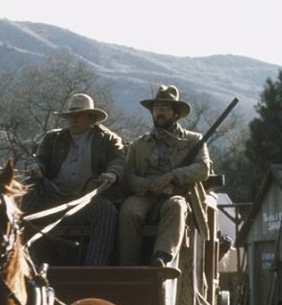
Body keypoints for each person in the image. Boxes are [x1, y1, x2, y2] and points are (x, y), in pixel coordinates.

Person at [25, 93, 125, 266]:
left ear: (91, 118)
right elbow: (39, 159)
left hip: (86, 199)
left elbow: (119, 160)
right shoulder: (53, 138)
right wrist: (37, 168)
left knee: (107, 210)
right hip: (53, 196)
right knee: (26, 196)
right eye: (70, 117)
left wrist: (112, 174)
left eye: (78, 116)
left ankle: (93, 269)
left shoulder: (108, 139)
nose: (73, 120)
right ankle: (21, 259)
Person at [117, 85, 210, 267]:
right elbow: (129, 176)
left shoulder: (194, 140)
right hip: (144, 194)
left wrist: (173, 176)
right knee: (129, 211)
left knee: (176, 206)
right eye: (156, 108)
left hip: (176, 193)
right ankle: (127, 265)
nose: (159, 112)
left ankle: (162, 258)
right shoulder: (138, 144)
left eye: (165, 108)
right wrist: (150, 185)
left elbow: (203, 169)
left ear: (176, 114)